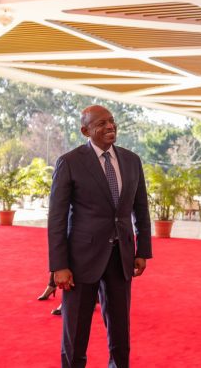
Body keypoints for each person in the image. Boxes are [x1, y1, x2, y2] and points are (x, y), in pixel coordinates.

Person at [48, 105, 152, 367]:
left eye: (112, 121)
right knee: (76, 332)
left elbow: (140, 208)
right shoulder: (70, 162)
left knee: (120, 329)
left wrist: (142, 251)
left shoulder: (131, 160)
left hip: (121, 257)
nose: (110, 127)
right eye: (101, 123)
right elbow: (57, 218)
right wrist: (59, 265)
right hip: (81, 260)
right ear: (85, 130)